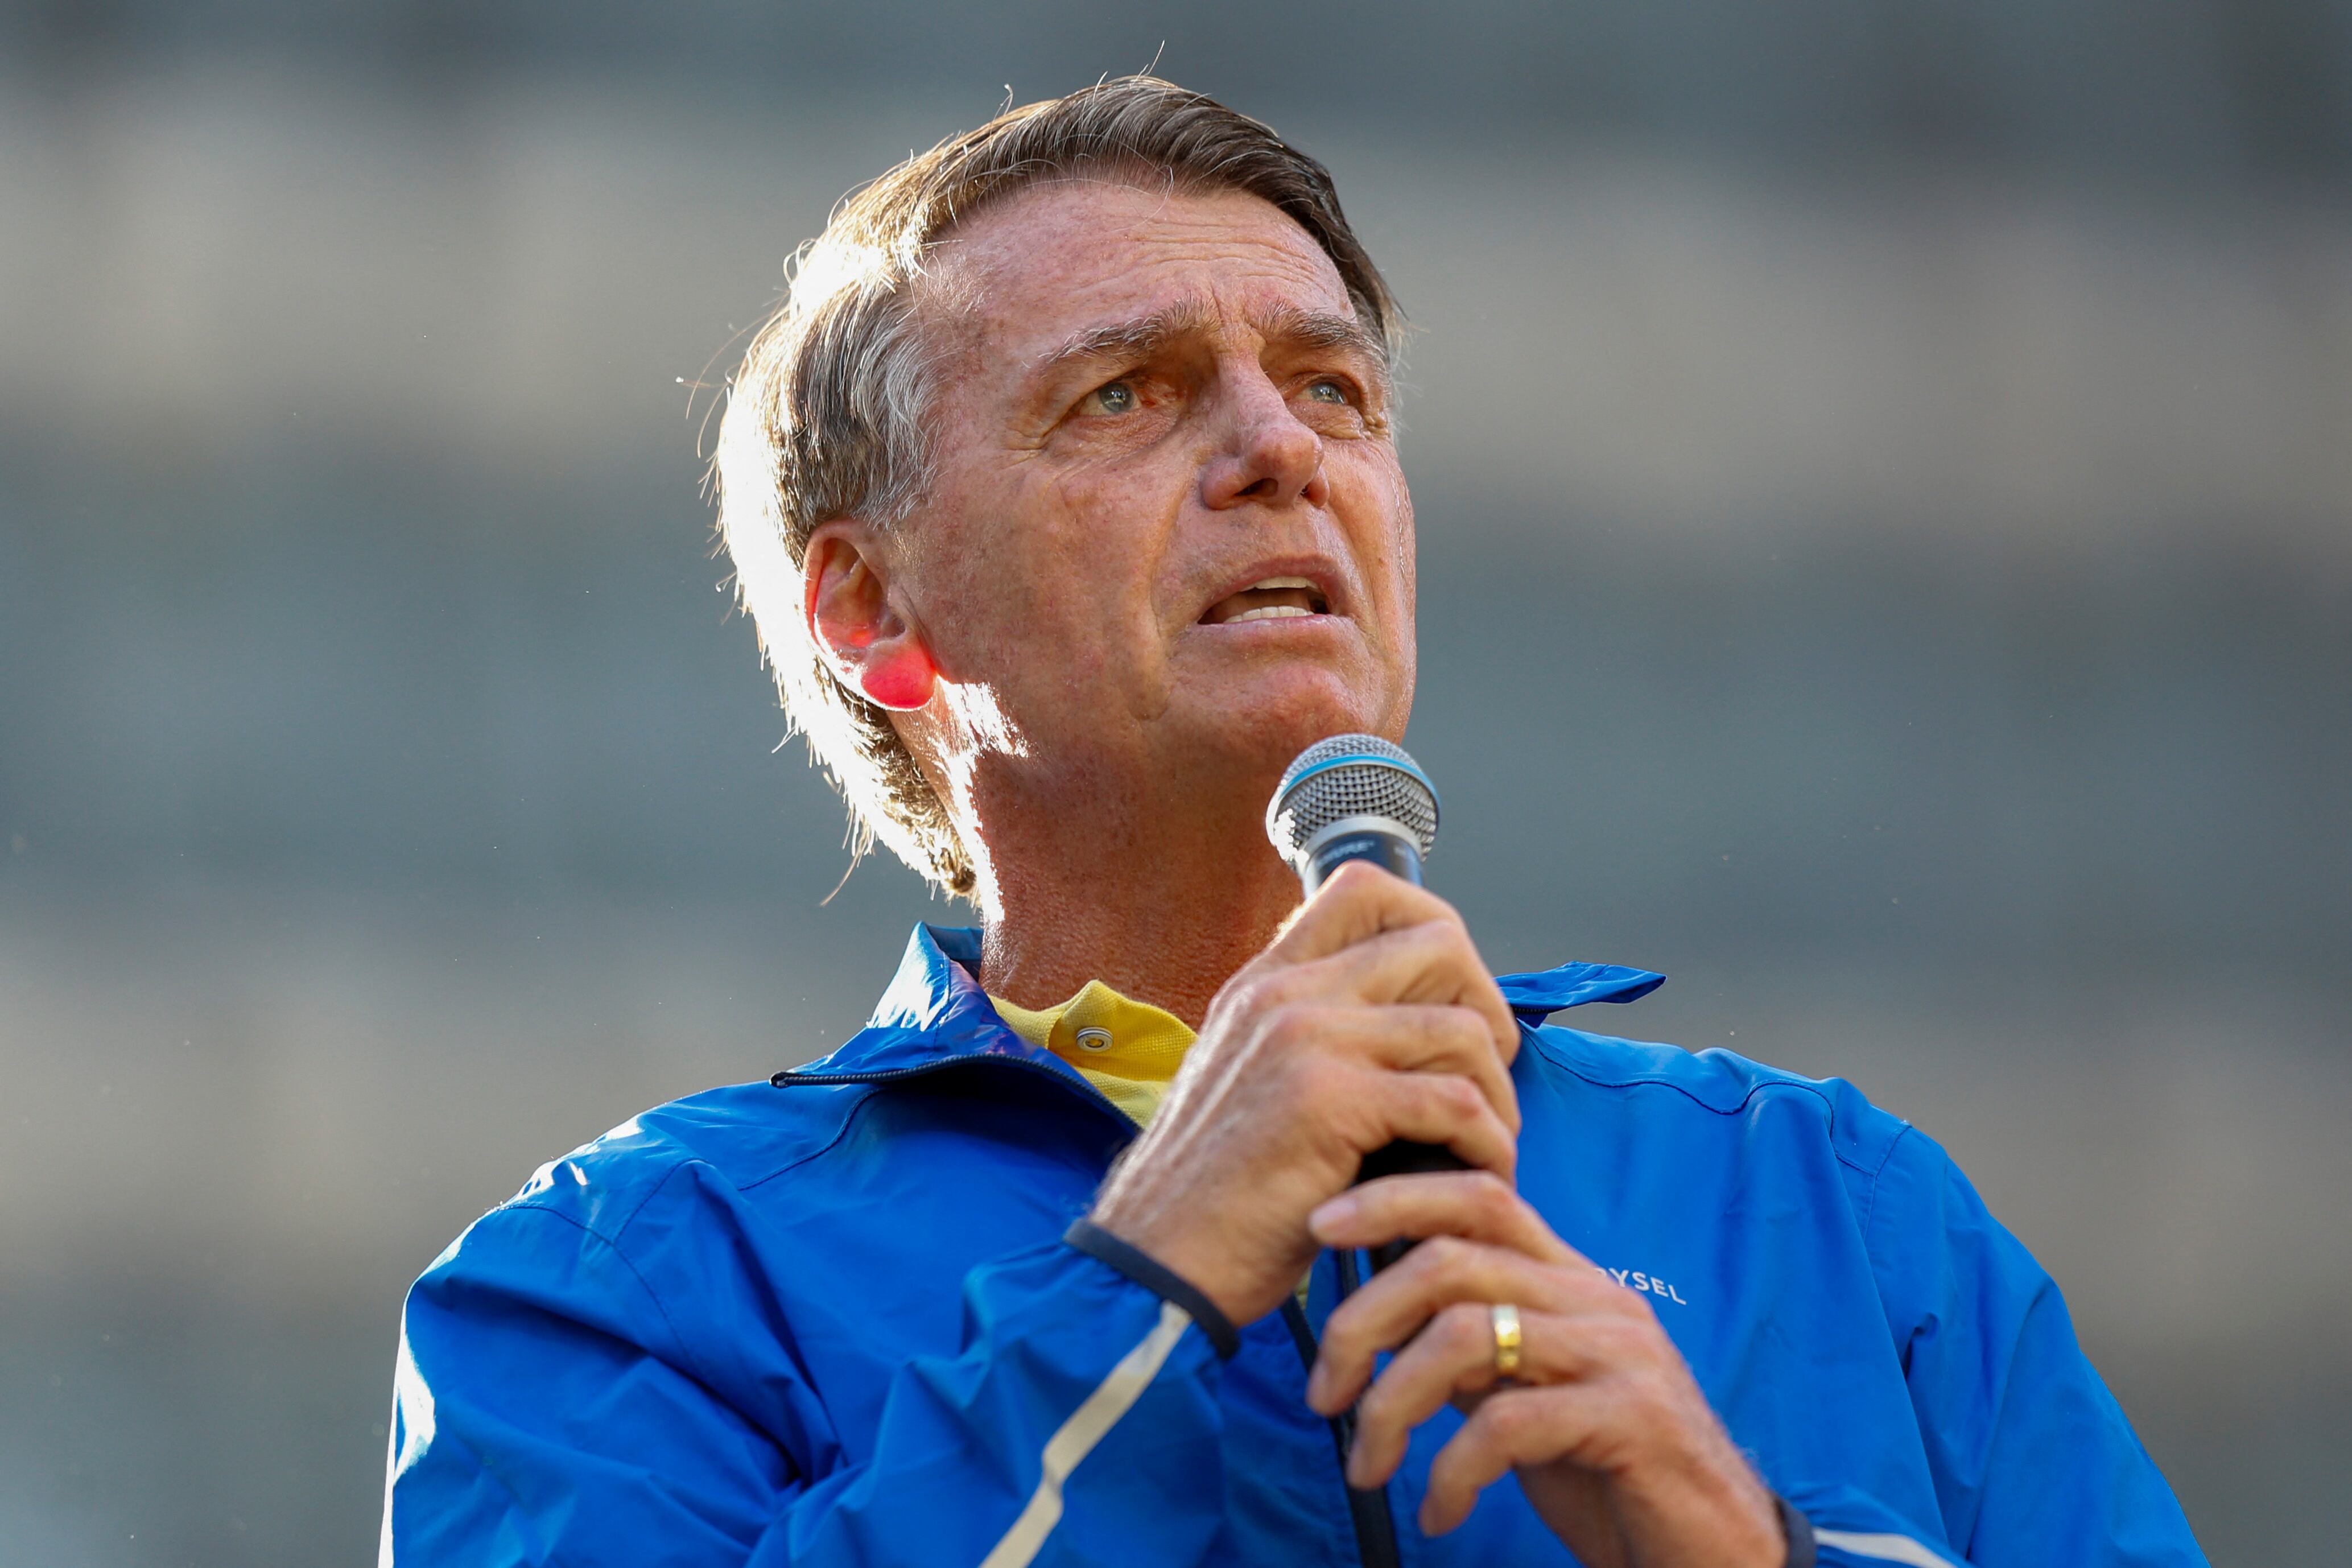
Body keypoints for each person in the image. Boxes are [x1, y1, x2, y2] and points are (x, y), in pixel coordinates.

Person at [379, 77, 2204, 1567]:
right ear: (875, 611)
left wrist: (1745, 1548)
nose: (1283, 449)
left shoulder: (1838, 1207)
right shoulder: (617, 1288)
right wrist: (1150, 1268)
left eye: (1332, 387)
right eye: (1127, 393)